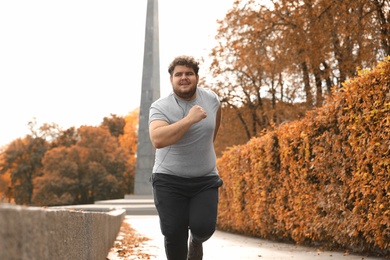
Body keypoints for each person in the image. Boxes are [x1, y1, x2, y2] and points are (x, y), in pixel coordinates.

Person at [149, 55, 223, 260]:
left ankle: (196, 241)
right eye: (178, 74)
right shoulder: (160, 107)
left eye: (189, 73)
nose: (184, 78)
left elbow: (216, 119)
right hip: (169, 180)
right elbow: (157, 139)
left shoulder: (211, 99)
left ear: (197, 77)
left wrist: (207, 143)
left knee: (204, 228)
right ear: (171, 79)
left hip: (205, 178)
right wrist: (189, 119)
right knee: (173, 234)